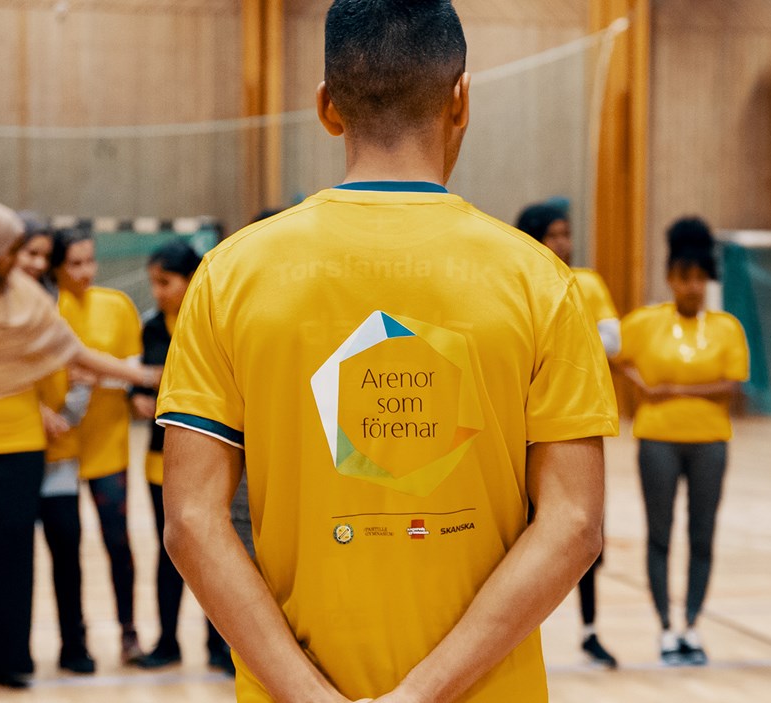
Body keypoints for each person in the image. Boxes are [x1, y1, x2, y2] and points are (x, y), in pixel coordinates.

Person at [155, 1, 618, 700]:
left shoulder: (229, 275)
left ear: (326, 106)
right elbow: (575, 523)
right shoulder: (542, 283)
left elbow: (192, 522)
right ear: (461, 99)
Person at [0, 202, 151, 689]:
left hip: (24, 448)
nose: (20, 260)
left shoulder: (26, 300)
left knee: (16, 555)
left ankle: (12, 659)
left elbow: (72, 352)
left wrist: (141, 375)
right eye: (13, 249)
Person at [616, 217, 749, 667]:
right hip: (658, 440)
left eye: (700, 278)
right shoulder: (644, 322)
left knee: (702, 535)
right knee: (660, 534)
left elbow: (733, 384)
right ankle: (665, 629)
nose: (693, 287)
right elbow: (605, 352)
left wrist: (671, 390)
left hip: (709, 440)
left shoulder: (727, 327)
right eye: (684, 277)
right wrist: (639, 385)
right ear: (670, 278)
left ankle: (692, 625)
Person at [515, 201, 621, 669]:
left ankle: (590, 630)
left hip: (573, 426)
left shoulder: (586, 282)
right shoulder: (519, 277)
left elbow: (614, 342)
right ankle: (514, 633)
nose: (563, 243)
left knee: (582, 534)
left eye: (566, 233)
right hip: (519, 432)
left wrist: (550, 349)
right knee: (518, 538)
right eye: (553, 234)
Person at [130, 240, 233, 674]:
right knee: (169, 553)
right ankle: (168, 641)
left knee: (220, 554)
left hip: (214, 462)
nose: (157, 291)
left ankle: (219, 645)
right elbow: (139, 399)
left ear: (190, 280)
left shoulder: (214, 320)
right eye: (153, 283)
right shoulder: (153, 327)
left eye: (164, 282)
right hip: (161, 463)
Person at [50, 227, 145, 663]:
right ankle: (75, 641)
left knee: (117, 541)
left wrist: (93, 374)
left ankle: (129, 631)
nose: (86, 271)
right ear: (56, 267)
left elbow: (131, 370)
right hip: (58, 449)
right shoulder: (45, 307)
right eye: (75, 263)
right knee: (66, 548)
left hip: (109, 442)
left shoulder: (117, 305)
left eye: (90, 260)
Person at [14, 216, 97, 676]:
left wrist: (64, 415)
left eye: (44, 256)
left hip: (59, 457)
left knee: (67, 549)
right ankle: (12, 651)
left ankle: (75, 647)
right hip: (11, 454)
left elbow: (82, 371)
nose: (37, 263)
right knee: (12, 560)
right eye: (29, 253)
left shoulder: (59, 306)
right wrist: (33, 410)